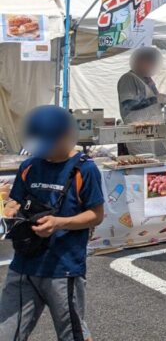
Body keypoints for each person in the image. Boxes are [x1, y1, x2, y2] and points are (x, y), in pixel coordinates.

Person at [1, 106, 104, 340]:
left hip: (63, 268)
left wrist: (59, 223)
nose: (45, 153)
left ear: (66, 135)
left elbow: (96, 215)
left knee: (72, 333)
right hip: (23, 264)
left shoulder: (85, 169)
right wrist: (9, 209)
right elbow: (16, 202)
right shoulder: (29, 167)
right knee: (6, 332)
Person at [116, 46, 166, 124]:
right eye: (150, 62)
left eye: (153, 63)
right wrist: (155, 99)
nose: (152, 66)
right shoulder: (128, 78)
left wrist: (162, 101)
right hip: (136, 130)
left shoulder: (146, 80)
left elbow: (151, 106)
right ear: (138, 62)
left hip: (151, 128)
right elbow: (129, 105)